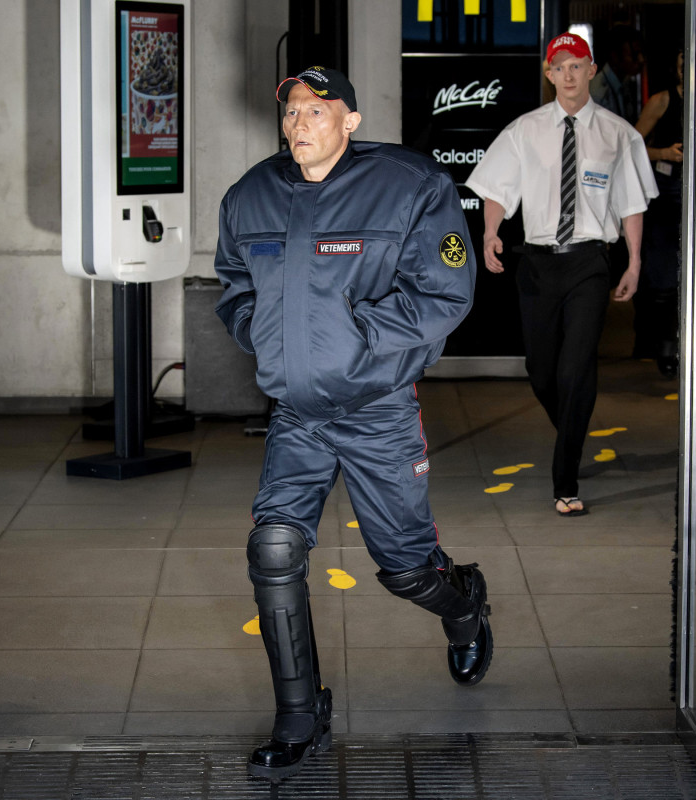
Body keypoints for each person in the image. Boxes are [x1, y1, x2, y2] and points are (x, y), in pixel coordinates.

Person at [214, 66, 490, 782]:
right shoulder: (251, 195)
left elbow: (447, 289)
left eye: (317, 109)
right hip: (298, 415)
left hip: (378, 411)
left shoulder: (409, 186)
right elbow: (234, 284)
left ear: (351, 121)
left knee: (403, 569)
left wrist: (359, 339)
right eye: (292, 111)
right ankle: (301, 717)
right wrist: (267, 335)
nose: (300, 123)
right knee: (273, 550)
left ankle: (464, 604)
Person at [467, 34, 658, 518]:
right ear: (549, 74)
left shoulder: (618, 133)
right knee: (542, 370)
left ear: (591, 70)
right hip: (537, 261)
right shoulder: (524, 130)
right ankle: (573, 429)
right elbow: (496, 188)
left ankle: (566, 479)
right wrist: (490, 231)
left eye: (578, 65)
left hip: (590, 261)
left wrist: (634, 262)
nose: (569, 74)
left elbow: (632, 204)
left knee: (577, 369)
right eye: (560, 67)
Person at [632, 49, 686, 377]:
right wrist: (664, 152)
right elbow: (632, 145)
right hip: (666, 190)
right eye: (683, 62)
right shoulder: (663, 100)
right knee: (664, 275)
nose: (688, 68)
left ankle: (685, 344)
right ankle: (664, 347)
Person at [590, 26, 645, 123]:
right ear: (615, 56)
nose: (641, 60)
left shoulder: (625, 84)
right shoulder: (598, 93)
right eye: (634, 55)